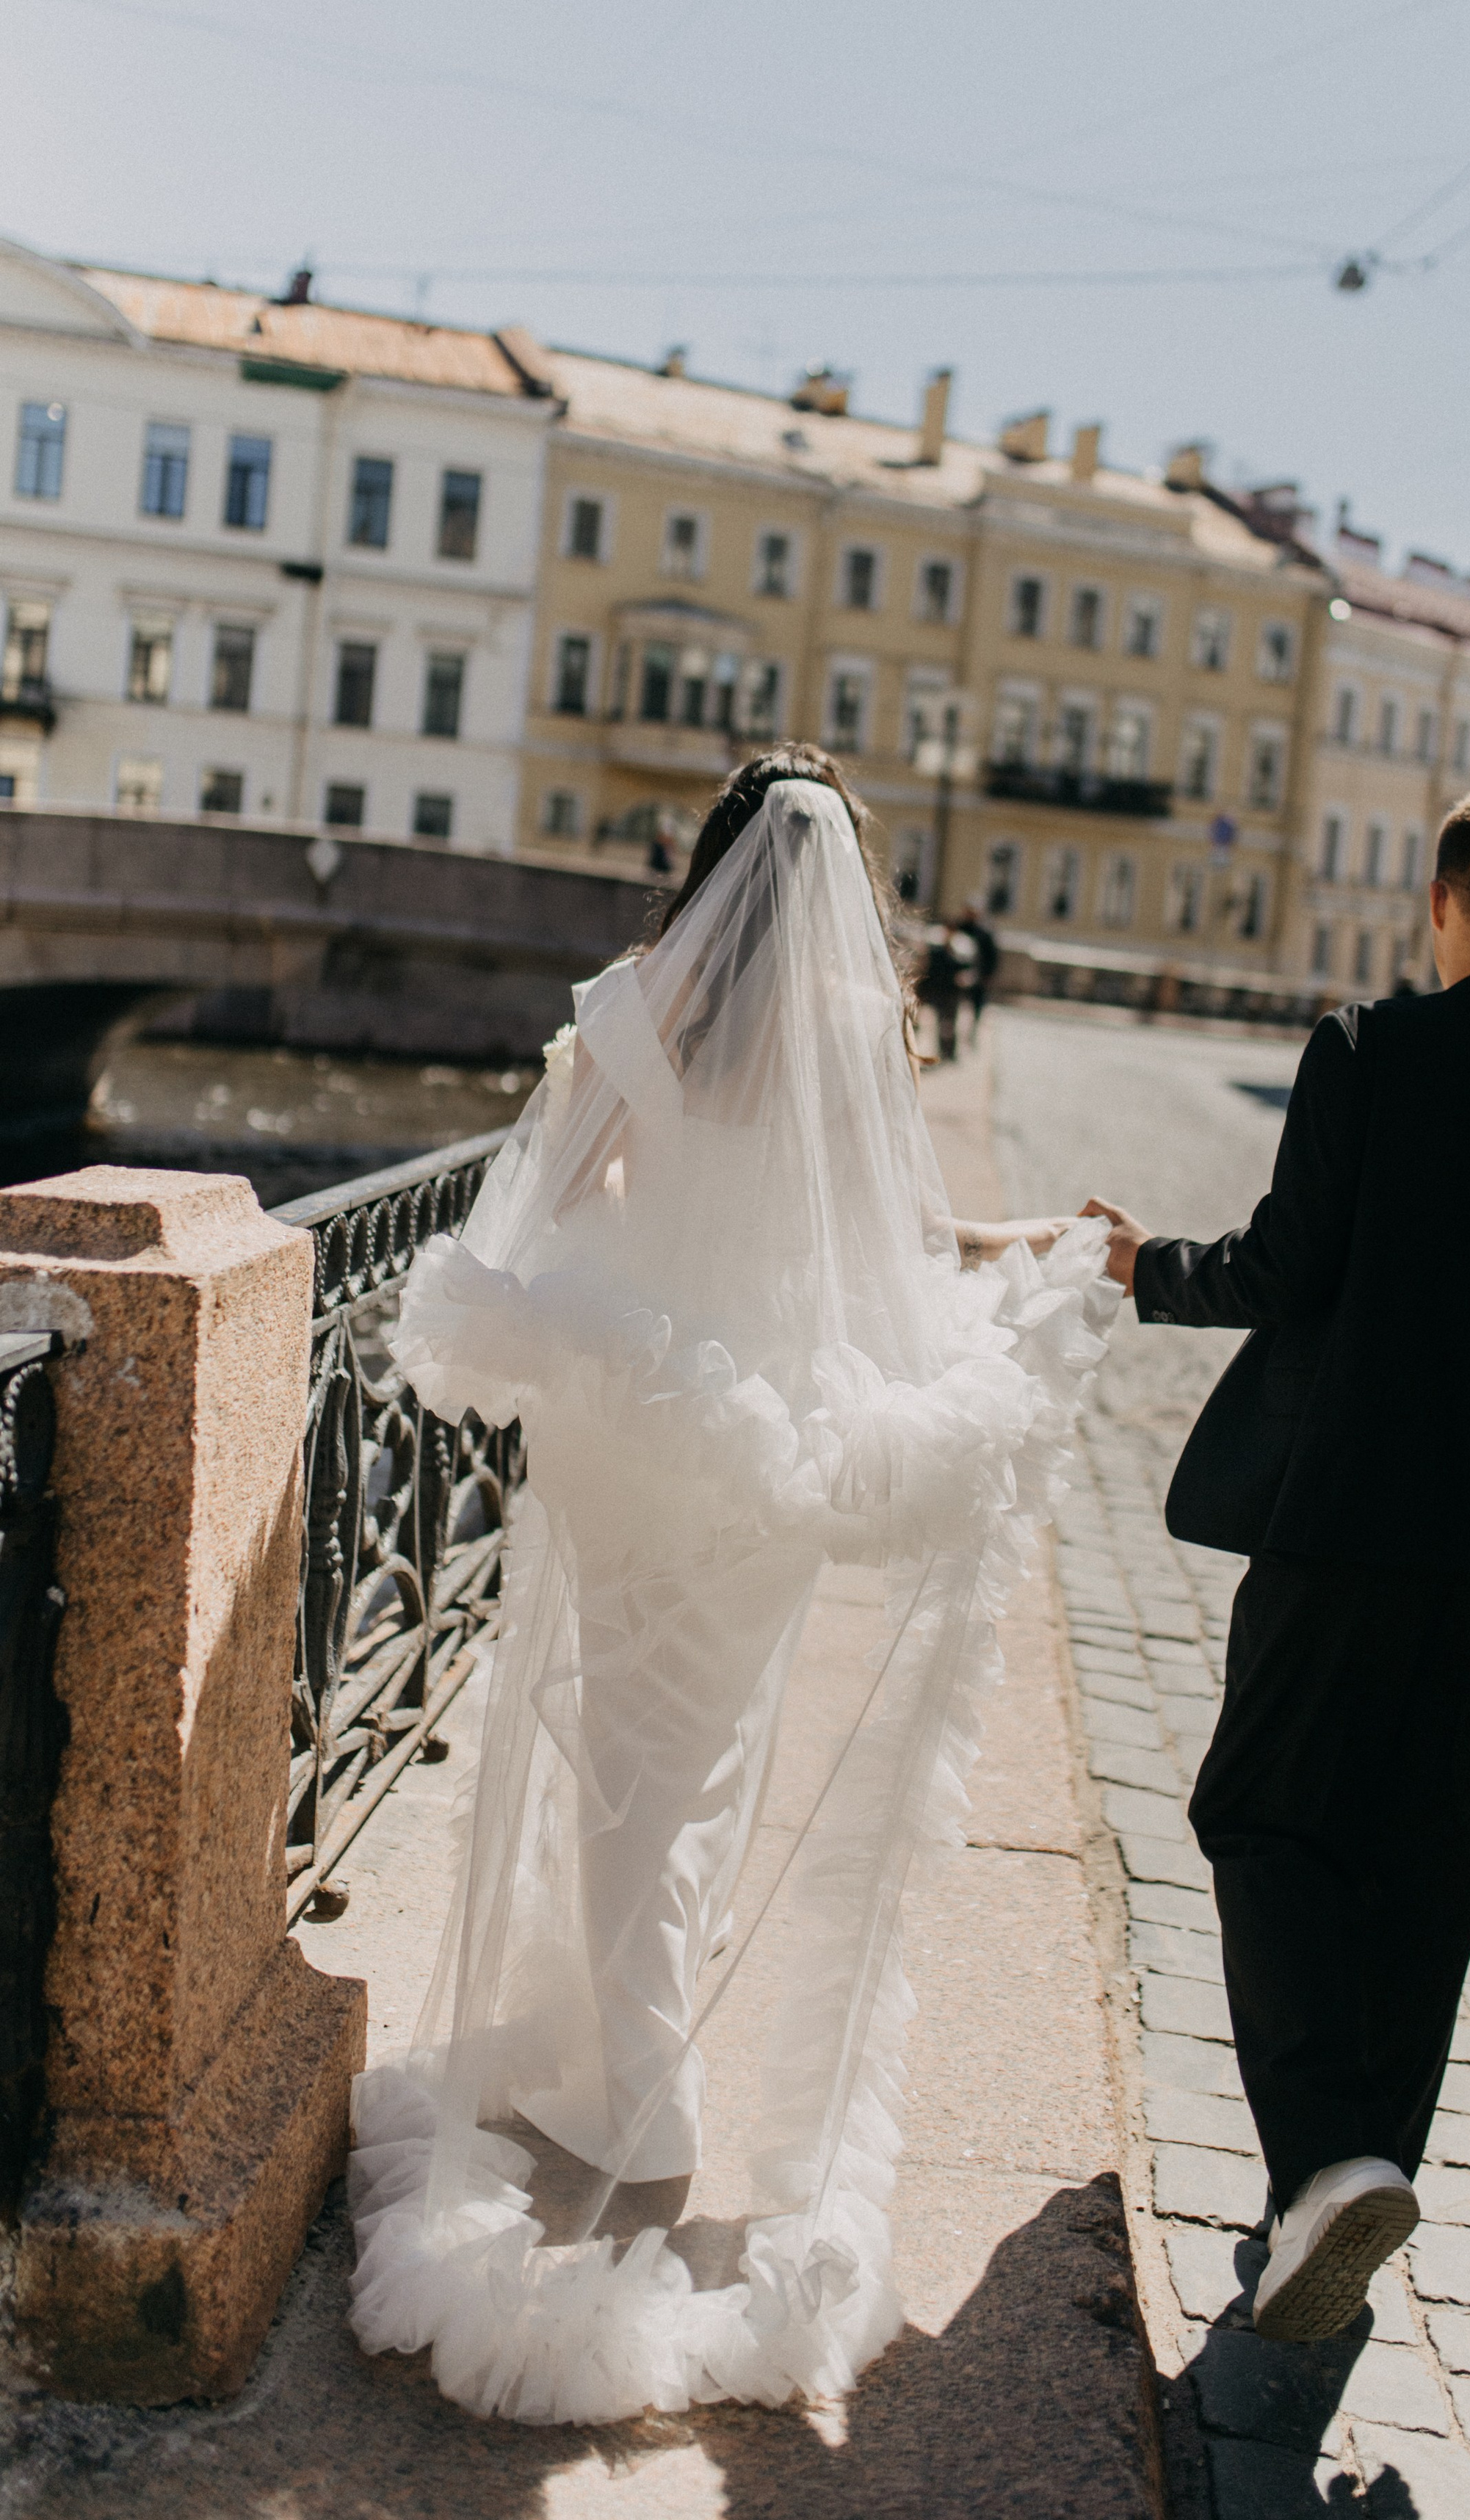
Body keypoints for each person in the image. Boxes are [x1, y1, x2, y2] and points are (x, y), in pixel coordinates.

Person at [349, 742, 1113, 2422]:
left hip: (642, 1432)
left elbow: (547, 1198)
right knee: (696, 1762)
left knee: (620, 1751)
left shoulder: (642, 1003)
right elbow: (893, 1246)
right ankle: (621, 2046)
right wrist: (1021, 1259)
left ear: (705, 866)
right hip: (776, 1442)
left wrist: (634, 1202)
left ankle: (653, 2102)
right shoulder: (864, 1029)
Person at [1081, 783, 1470, 2343]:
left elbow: (1288, 1267)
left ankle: (1322, 2164)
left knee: (1256, 1810)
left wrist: (1148, 1265)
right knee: (1427, 1864)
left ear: (1436, 901)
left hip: (1337, 1517)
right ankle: (1357, 2179)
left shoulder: (1365, 1048)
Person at [919, 915, 977, 1063]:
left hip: (952, 991)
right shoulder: (937, 949)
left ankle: (950, 1052)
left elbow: (967, 969)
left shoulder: (962, 947)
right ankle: (943, 1051)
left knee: (950, 1023)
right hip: (940, 989)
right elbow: (930, 969)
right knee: (941, 1023)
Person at [961, 903, 1001, 1042]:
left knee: (976, 1007)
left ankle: (972, 1033)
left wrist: (987, 976)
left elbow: (992, 957)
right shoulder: (961, 927)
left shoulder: (984, 933)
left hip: (978, 975)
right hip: (959, 974)